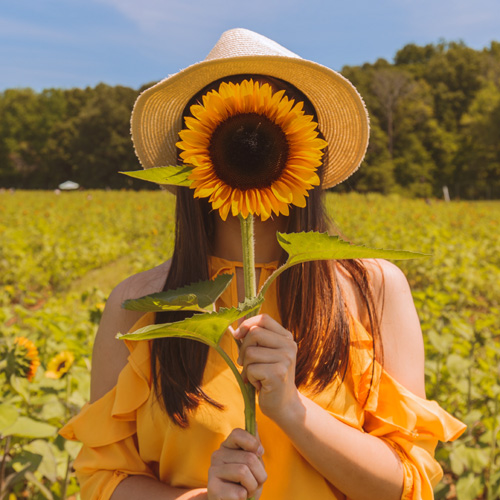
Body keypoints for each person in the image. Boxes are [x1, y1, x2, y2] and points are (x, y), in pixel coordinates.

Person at [60, 28, 466, 500]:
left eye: (266, 128)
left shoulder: (371, 288)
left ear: (305, 151)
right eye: (235, 130)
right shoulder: (139, 307)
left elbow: (407, 483)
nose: (250, 142)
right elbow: (102, 480)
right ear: (195, 156)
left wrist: (292, 410)